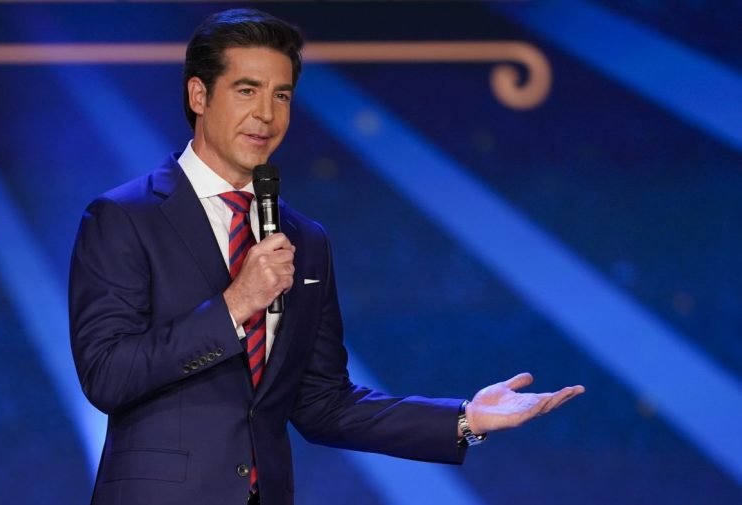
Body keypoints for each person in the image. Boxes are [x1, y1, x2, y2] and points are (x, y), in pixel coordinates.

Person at [68, 8, 584, 505]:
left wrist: (466, 419)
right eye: (247, 90)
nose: (266, 114)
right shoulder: (125, 217)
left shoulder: (304, 240)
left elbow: (323, 403)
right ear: (199, 94)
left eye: (281, 95)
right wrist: (235, 305)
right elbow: (107, 375)